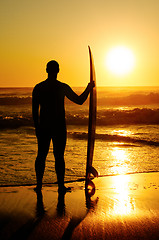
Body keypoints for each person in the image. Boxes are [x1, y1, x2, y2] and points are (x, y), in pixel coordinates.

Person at [32, 60, 94, 193]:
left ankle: (39, 186)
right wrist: (88, 89)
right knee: (59, 156)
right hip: (59, 127)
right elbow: (79, 100)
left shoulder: (39, 87)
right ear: (58, 70)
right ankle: (60, 186)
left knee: (41, 156)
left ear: (47, 70)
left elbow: (34, 111)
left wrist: (37, 128)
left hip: (44, 126)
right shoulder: (62, 87)